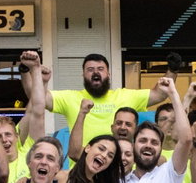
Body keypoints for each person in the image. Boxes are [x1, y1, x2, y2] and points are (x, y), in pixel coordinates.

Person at [39, 51, 171, 141]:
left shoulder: (125, 96)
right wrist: (40, 79)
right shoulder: (70, 98)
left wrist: (173, 69)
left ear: (109, 74)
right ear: (83, 75)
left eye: (101, 69)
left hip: (119, 173)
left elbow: (159, 94)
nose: (96, 73)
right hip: (83, 175)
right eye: (90, 70)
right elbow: (40, 99)